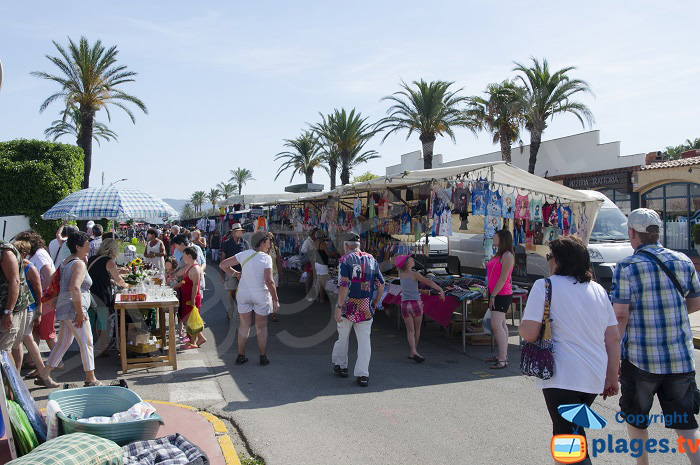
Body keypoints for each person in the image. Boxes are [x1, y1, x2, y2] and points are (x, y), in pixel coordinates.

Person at [519, 237, 619, 465]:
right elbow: (612, 339)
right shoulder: (599, 291)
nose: (547, 262)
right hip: (593, 377)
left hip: (562, 376)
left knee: (569, 441)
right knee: (569, 434)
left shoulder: (545, 286)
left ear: (559, 261)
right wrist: (612, 376)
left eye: (549, 257)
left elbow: (529, 333)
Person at [611, 209, 700, 465]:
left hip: (641, 359)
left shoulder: (627, 266)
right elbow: (695, 301)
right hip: (680, 358)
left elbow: (620, 316)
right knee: (685, 423)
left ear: (632, 234)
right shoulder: (683, 261)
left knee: (637, 419)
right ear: (657, 232)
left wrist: (613, 355)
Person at [36, 232, 100, 388]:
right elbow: (75, 287)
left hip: (65, 307)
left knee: (64, 342)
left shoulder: (66, 261)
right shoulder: (78, 264)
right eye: (86, 243)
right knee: (86, 342)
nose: (89, 245)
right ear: (78, 247)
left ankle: (44, 374)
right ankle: (90, 378)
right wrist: (80, 313)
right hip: (74, 309)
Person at [332, 233, 385, 387]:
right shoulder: (371, 259)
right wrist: (375, 302)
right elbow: (381, 285)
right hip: (365, 306)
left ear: (346, 245)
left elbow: (344, 285)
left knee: (343, 337)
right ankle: (363, 374)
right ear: (358, 245)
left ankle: (341, 366)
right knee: (364, 341)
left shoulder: (345, 260)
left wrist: (339, 307)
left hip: (348, 306)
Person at [219, 231, 279, 366]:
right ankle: (262, 357)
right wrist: (275, 299)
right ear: (263, 242)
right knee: (261, 328)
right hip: (260, 294)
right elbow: (269, 281)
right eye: (269, 242)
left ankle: (241, 356)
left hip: (244, 293)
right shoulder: (266, 258)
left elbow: (223, 264)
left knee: (244, 326)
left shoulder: (243, 254)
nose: (270, 246)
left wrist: (235, 274)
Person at [394, 254, 445, 363]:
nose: (413, 259)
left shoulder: (401, 274)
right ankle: (414, 351)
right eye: (411, 259)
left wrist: (422, 291)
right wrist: (440, 289)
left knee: (410, 331)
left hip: (404, 304)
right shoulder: (415, 274)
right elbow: (429, 282)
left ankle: (412, 351)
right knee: (417, 329)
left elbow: (410, 288)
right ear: (408, 263)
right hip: (415, 304)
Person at [14, 230, 57, 354]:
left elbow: (48, 277)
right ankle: (32, 360)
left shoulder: (39, 255)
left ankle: (57, 362)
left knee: (47, 333)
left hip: (46, 299)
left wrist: (36, 293)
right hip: (44, 298)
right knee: (36, 331)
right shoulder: (36, 254)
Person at [10, 241, 47, 375]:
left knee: (26, 338)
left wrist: (39, 310)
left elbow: (38, 290)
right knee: (20, 341)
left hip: (29, 308)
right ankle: (39, 371)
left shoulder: (30, 268)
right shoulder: (15, 267)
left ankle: (43, 370)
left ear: (23, 254)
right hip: (20, 309)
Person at [87, 239, 129, 354]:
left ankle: (88, 346)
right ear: (114, 250)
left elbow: (98, 276)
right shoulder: (109, 261)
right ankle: (101, 347)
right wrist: (128, 286)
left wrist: (113, 282)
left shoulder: (91, 259)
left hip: (90, 293)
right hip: (101, 294)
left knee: (91, 322)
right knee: (103, 322)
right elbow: (118, 279)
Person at [485, 229, 515, 369]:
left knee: (496, 325)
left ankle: (503, 358)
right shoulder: (499, 255)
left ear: (502, 239)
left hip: (501, 294)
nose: (493, 239)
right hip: (496, 292)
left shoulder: (508, 255)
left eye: (495, 237)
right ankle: (502, 355)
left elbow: (503, 278)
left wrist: (493, 295)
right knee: (501, 324)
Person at [0, 239, 32, 368]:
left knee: (4, 353)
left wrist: (8, 311)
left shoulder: (5, 251)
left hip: (8, 309)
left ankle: (12, 386)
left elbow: (15, 281)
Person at [173, 247, 206, 349]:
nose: (182, 258)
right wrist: (177, 284)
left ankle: (193, 342)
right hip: (186, 297)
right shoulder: (189, 267)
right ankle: (200, 338)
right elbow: (185, 281)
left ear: (189, 256)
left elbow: (195, 285)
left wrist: (192, 300)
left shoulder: (195, 269)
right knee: (188, 320)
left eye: (184, 256)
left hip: (191, 298)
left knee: (191, 320)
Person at [220, 224, 249, 319]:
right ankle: (232, 308)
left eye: (241, 231)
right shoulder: (226, 243)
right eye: (238, 231)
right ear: (233, 232)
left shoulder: (245, 243)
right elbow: (223, 259)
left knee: (241, 293)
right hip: (230, 271)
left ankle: (239, 312)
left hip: (242, 272)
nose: (240, 233)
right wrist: (222, 274)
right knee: (231, 291)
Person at [313, 230, 335, 305]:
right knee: (322, 283)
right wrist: (334, 253)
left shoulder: (315, 243)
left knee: (318, 281)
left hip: (317, 263)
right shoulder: (322, 243)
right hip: (322, 264)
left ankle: (317, 298)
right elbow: (328, 253)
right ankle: (321, 299)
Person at [301, 228, 319, 302]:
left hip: (312, 261)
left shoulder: (312, 241)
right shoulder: (307, 242)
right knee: (309, 278)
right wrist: (311, 251)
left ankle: (311, 294)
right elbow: (303, 250)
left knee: (312, 278)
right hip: (309, 262)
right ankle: (308, 295)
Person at [268, 236, 283, 322]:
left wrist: (280, 273)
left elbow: (278, 261)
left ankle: (273, 314)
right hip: (265, 274)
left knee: (274, 293)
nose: (270, 241)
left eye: (271, 239)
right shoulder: (262, 249)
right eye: (268, 239)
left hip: (274, 273)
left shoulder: (276, 249)